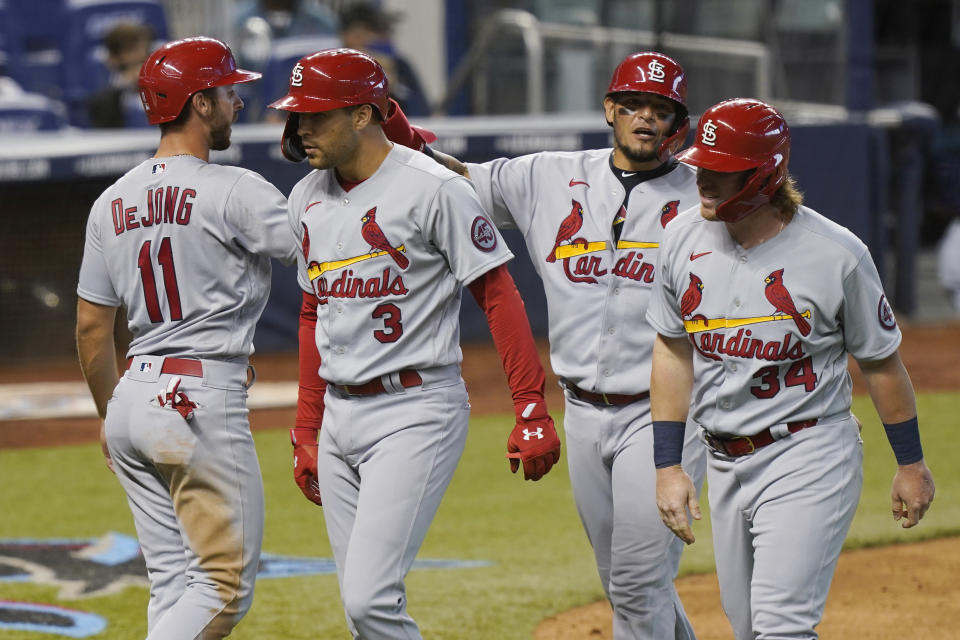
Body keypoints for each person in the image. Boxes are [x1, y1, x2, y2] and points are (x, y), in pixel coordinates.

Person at [387, 51, 707, 638]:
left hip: (665, 415)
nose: (645, 118)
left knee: (638, 584)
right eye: (633, 104)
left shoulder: (704, 199)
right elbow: (455, 182)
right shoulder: (548, 176)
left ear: (677, 124)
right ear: (609, 109)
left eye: (660, 110)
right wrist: (395, 128)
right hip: (582, 411)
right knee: (628, 586)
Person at [267, 48, 561, 639]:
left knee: (370, 602)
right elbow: (310, 311)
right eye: (296, 116)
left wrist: (531, 405)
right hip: (338, 420)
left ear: (362, 115)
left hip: (415, 411)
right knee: (361, 614)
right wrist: (305, 426)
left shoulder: (432, 188)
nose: (300, 130)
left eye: (315, 116)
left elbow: (499, 296)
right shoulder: (305, 197)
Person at [647, 98, 937, 639]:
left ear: (763, 176)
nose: (704, 181)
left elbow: (880, 362)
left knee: (782, 626)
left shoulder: (836, 255)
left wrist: (911, 463)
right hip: (723, 459)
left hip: (809, 452)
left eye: (721, 173)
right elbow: (671, 350)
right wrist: (668, 465)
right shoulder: (680, 238)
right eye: (702, 167)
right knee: (749, 627)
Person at [76, 37, 297, 639]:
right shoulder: (236, 189)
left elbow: (93, 328)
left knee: (175, 582)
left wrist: (108, 414)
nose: (239, 103)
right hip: (197, 401)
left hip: (132, 401)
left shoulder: (110, 201)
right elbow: (322, 256)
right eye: (229, 92)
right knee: (223, 587)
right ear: (200, 103)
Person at [338, 2, 430, 117]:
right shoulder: (335, 67)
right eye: (360, 35)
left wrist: (393, 89)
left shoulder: (400, 65)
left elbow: (422, 112)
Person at [85, 22, 153, 128]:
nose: (140, 55)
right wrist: (123, 85)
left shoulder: (158, 80)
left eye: (143, 49)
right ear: (112, 58)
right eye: (131, 50)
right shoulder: (103, 99)